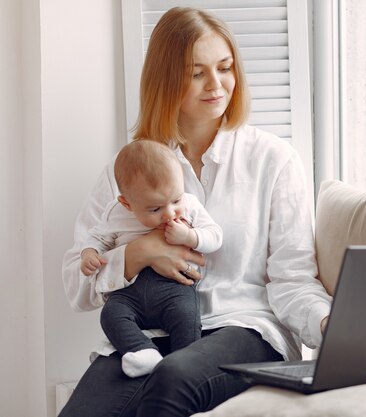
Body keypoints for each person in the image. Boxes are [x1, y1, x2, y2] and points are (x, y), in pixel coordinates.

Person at [60, 6, 332, 417]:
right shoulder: (129, 170)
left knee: (176, 376)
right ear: (166, 81)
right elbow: (75, 286)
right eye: (196, 73)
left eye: (225, 68)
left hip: (245, 328)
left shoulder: (274, 160)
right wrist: (140, 253)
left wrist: (329, 324)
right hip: (147, 332)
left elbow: (292, 280)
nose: (217, 85)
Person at [80, 140, 223, 378]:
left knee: (187, 315)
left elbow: (215, 237)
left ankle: (183, 363)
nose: (169, 213)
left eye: (175, 200)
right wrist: (89, 254)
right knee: (111, 315)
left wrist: (190, 235)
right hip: (129, 293)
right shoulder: (115, 215)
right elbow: (95, 238)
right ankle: (142, 352)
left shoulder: (189, 205)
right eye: (155, 209)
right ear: (127, 203)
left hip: (174, 289)